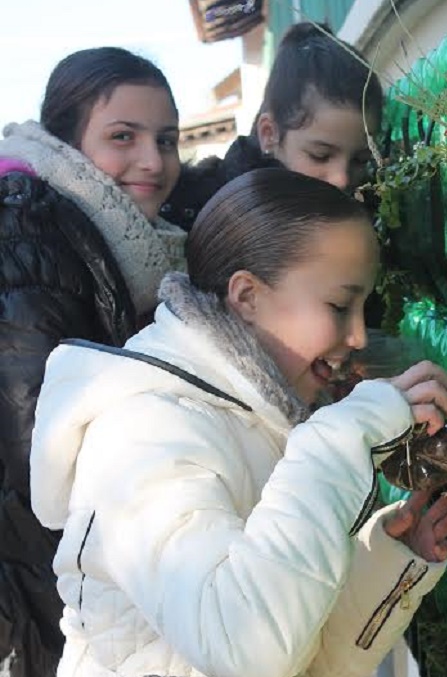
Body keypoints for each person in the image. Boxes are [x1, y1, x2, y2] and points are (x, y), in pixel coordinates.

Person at [30, 167, 447, 677]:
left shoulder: (252, 416)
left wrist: (384, 566)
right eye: (339, 305)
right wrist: (337, 439)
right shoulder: (144, 431)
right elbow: (244, 649)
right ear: (247, 296)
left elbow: (297, 657)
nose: (357, 338)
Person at [0, 47, 185, 675]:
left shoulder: (128, 239)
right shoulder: (26, 236)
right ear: (68, 143)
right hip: (53, 587)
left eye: (166, 139)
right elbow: (42, 454)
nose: (153, 161)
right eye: (123, 137)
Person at [161, 21, 382, 230]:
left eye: (360, 160)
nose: (342, 179)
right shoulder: (199, 214)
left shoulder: (373, 210)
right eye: (320, 155)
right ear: (269, 134)